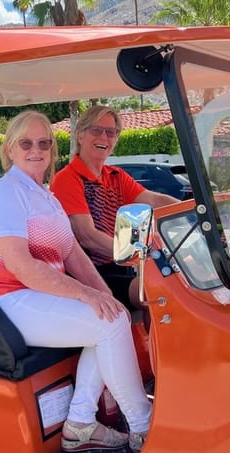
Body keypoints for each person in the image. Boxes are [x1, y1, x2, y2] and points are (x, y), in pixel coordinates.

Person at [0, 110, 151, 453]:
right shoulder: (6, 194)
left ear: (52, 150)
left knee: (112, 314)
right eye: (26, 143)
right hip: (5, 299)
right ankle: (143, 426)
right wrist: (87, 296)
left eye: (44, 143)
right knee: (110, 323)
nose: (35, 150)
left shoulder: (45, 195)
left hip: (33, 294)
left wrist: (103, 294)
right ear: (10, 148)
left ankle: (81, 423)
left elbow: (74, 256)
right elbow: (22, 267)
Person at [50, 104, 179, 307]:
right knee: (160, 292)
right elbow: (87, 236)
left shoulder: (115, 176)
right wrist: (142, 256)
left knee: (180, 282)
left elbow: (154, 200)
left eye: (111, 132)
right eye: (96, 130)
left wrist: (196, 209)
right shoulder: (67, 179)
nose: (104, 137)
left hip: (120, 267)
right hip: (88, 277)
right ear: (80, 135)